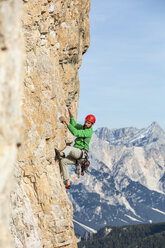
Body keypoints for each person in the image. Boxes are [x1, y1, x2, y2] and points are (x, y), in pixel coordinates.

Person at [55, 107, 96, 189]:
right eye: (86, 122)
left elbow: (75, 132)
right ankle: (67, 181)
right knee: (63, 161)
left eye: (88, 123)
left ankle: (61, 153)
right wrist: (70, 113)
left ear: (92, 125)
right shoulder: (83, 127)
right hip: (78, 156)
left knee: (69, 148)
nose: (86, 124)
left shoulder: (88, 132)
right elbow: (74, 125)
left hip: (81, 154)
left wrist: (65, 121)